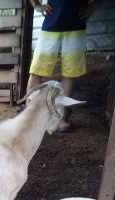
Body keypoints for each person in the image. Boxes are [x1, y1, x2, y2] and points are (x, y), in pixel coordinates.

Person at [27, 0, 94, 131]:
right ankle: (29, 117)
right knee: (36, 71)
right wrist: (37, 5)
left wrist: (91, 7)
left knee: (70, 74)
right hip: (51, 26)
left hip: (76, 28)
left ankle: (60, 119)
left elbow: (91, 3)